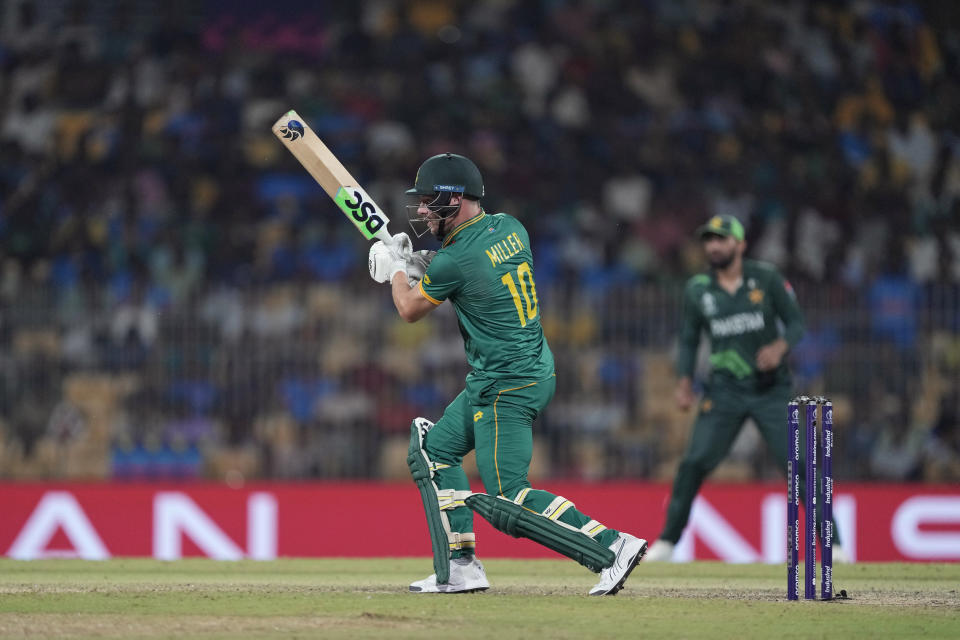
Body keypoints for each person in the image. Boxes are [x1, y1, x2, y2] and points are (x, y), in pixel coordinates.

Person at [368, 153, 647, 594]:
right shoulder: (511, 227)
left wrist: (396, 268)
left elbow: (408, 309)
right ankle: (460, 567)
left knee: (506, 498)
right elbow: (464, 268)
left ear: (454, 199)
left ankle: (613, 546)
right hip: (525, 369)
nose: (421, 210)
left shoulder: (453, 262)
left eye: (427, 201)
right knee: (434, 450)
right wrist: (420, 260)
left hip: (506, 385)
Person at [644, 214, 847, 562]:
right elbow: (690, 339)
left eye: (721, 239)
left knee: (799, 464)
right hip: (723, 393)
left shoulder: (765, 278)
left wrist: (780, 348)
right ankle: (667, 541)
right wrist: (683, 383)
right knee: (692, 463)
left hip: (771, 390)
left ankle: (835, 545)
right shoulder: (698, 290)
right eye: (709, 240)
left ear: (740, 244)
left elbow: (796, 323)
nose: (714, 246)